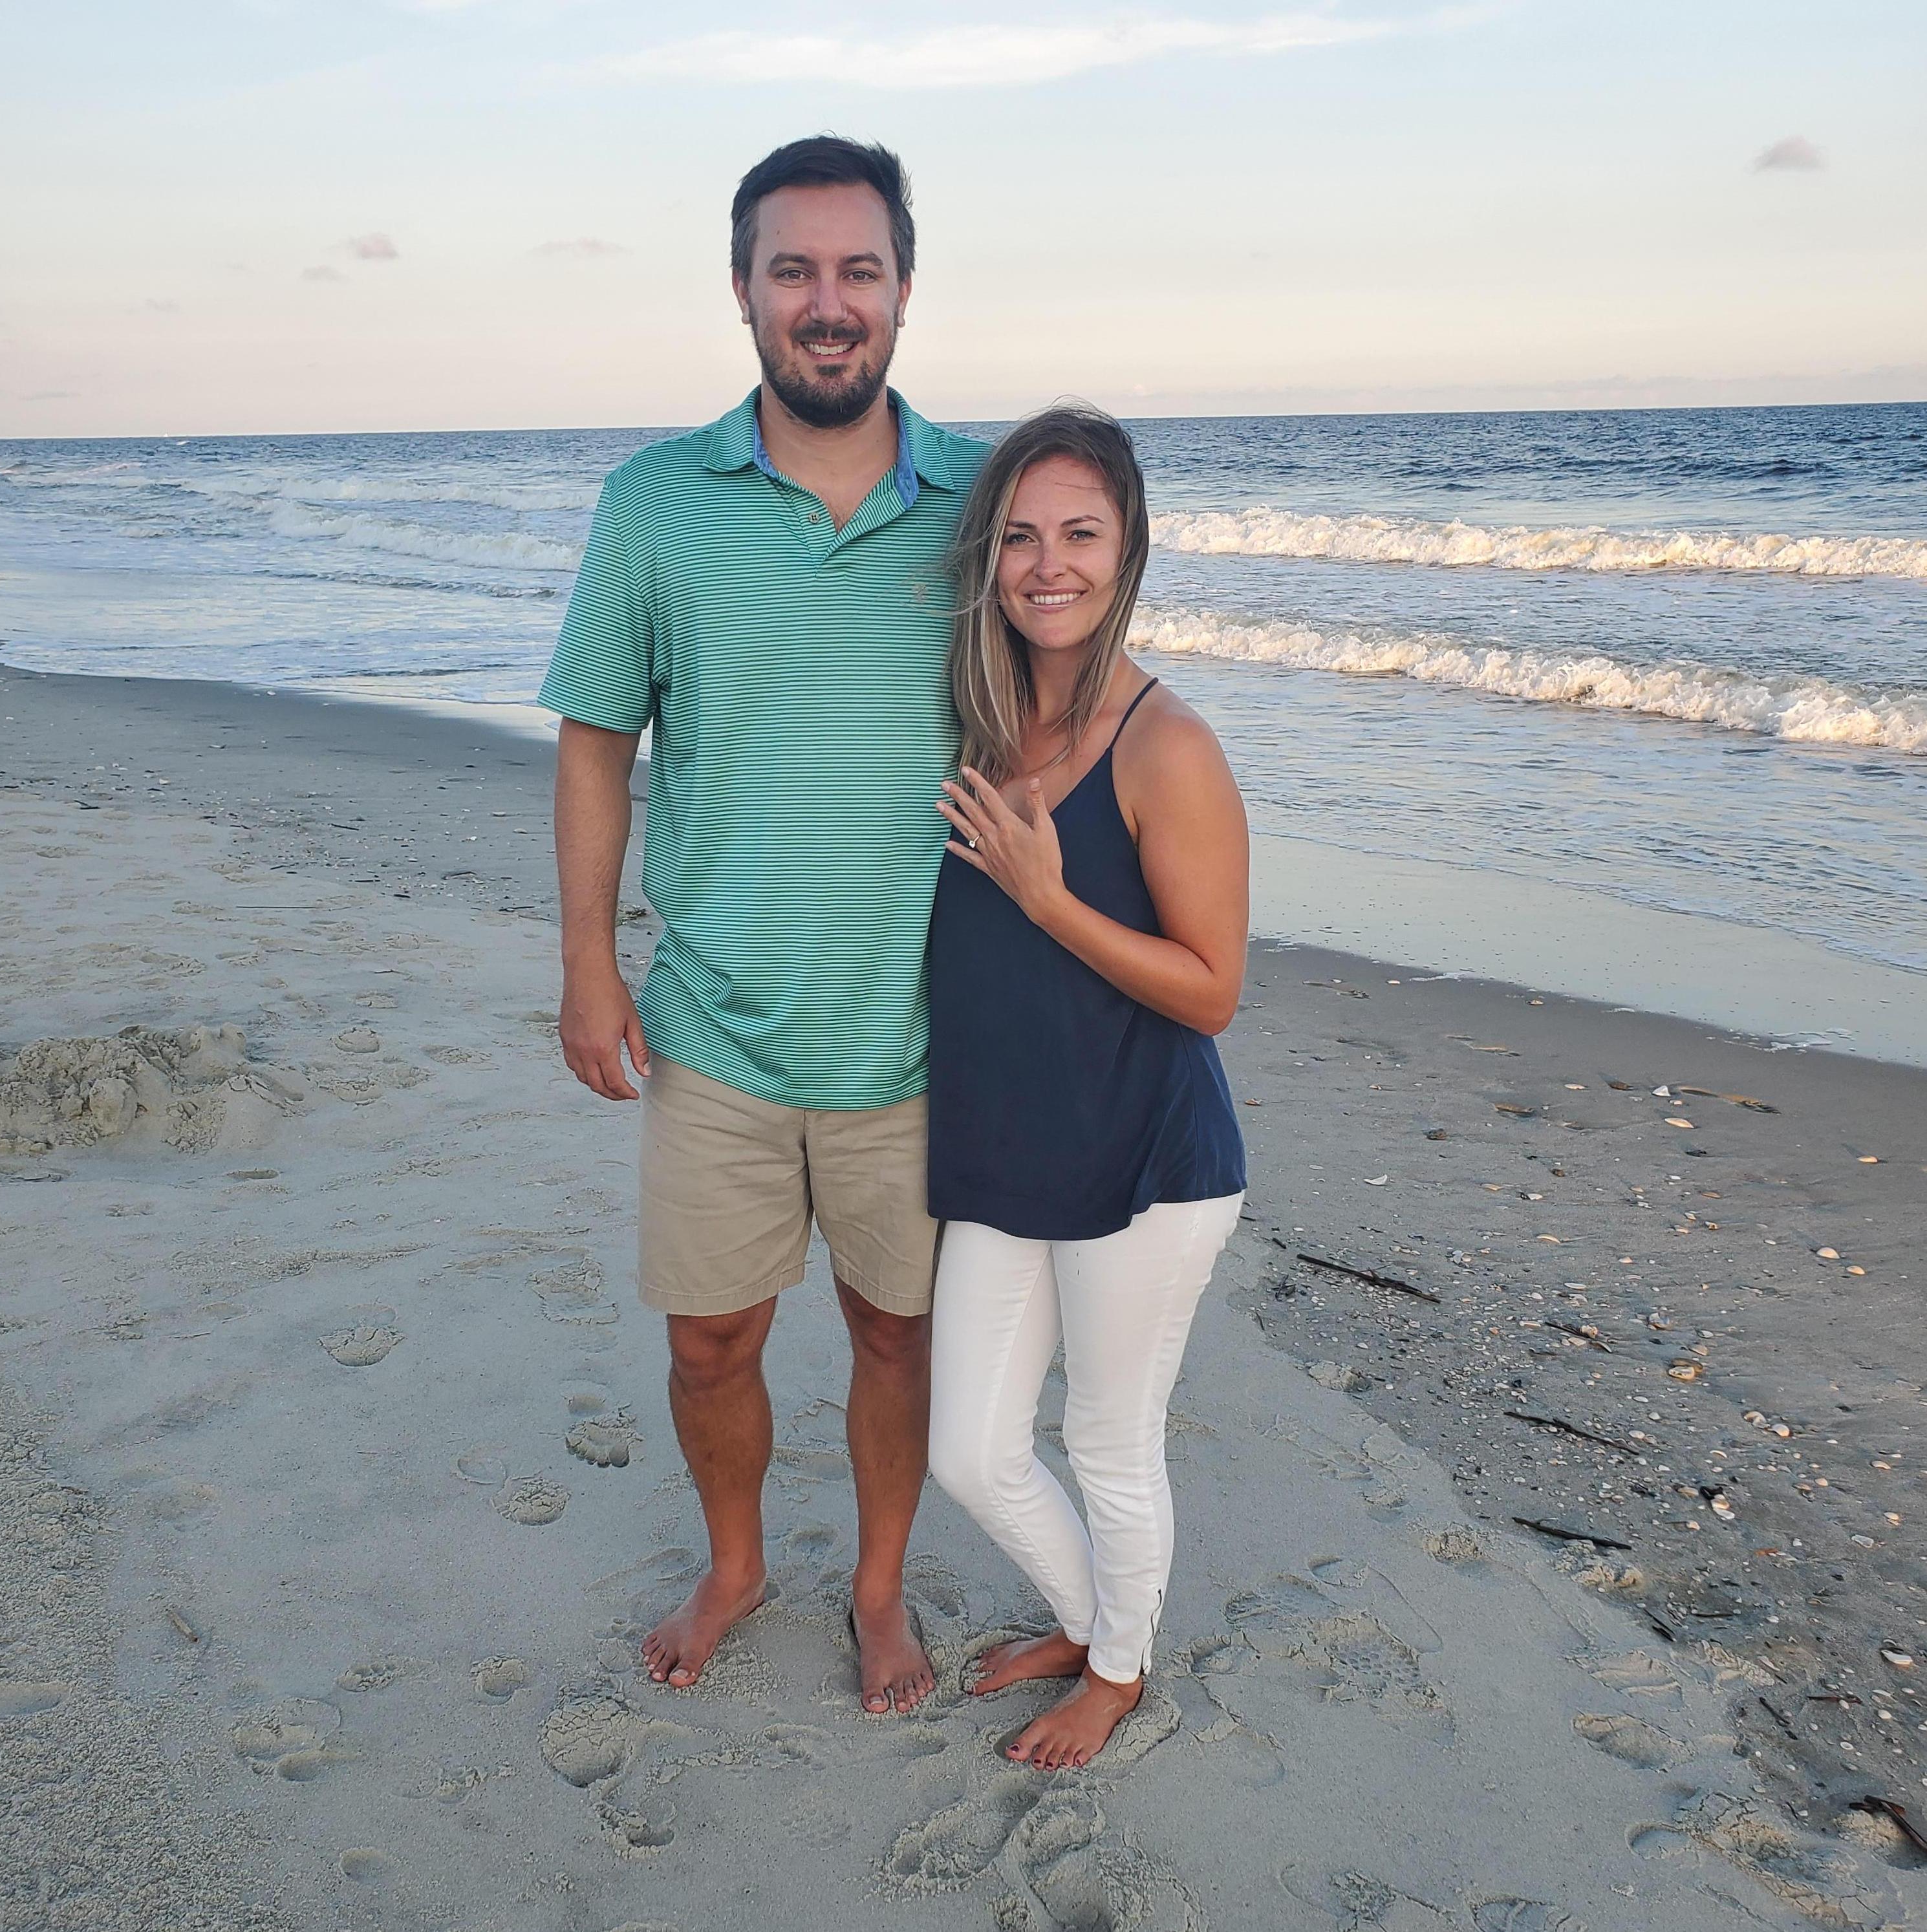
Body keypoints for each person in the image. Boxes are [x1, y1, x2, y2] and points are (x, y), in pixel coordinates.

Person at [540, 137, 989, 1712]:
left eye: (857, 271)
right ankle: (735, 1565)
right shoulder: (656, 503)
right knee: (711, 1345)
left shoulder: (986, 504)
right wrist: (592, 965)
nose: (827, 303)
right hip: (717, 1017)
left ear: (904, 293)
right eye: (793, 270)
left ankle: (877, 1590)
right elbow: (599, 733)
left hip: (922, 1026)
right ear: (742, 291)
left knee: (895, 1336)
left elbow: (1074, 723)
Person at [925, 405, 1249, 1769]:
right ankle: (1084, 1616)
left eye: (1080, 534)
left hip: (1145, 1158)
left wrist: (1051, 901)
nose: (1047, 564)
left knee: (1111, 1440)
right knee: (972, 1451)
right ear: (990, 557)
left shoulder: (1167, 744)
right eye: (1020, 536)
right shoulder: (980, 725)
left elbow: (1213, 988)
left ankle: (1116, 1668)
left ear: (1127, 552)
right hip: (1009, 1146)